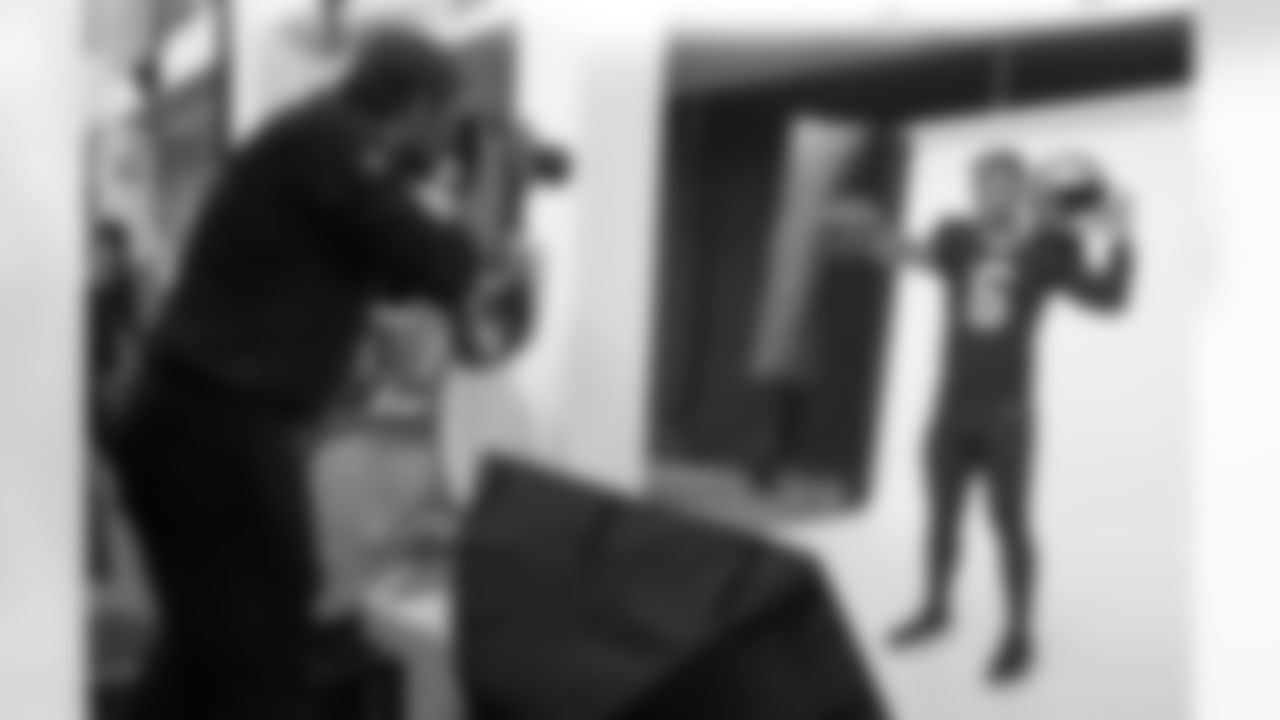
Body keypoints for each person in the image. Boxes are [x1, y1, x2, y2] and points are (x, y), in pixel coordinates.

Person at [107, 27, 524, 720]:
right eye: (444, 122)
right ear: (419, 106)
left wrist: (458, 228)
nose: (442, 142)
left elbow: (409, 279)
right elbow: (437, 259)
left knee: (206, 656)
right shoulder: (332, 141)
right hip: (217, 429)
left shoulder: (319, 151)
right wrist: (486, 189)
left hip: (192, 426)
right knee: (264, 656)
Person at [824, 148, 1136, 684]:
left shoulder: (1050, 247)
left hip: (1007, 415)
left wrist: (1124, 238)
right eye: (980, 183)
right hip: (950, 410)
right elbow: (912, 255)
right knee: (941, 517)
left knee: (1009, 523)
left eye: (1000, 183)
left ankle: (1019, 633)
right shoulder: (955, 236)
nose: (988, 193)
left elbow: (1110, 300)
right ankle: (936, 609)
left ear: (1022, 190)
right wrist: (871, 235)